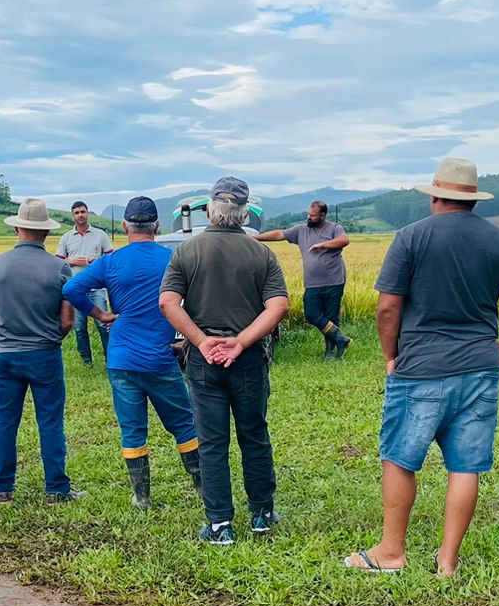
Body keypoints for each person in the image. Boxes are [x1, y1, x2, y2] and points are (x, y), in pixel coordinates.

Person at [349, 156, 499, 574]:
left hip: (420, 366)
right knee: (465, 464)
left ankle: (391, 553)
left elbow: (388, 307)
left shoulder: (411, 237)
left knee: (400, 458)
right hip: (479, 367)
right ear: (473, 199)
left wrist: (390, 356)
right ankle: (448, 560)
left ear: (436, 195)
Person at [159, 176, 289, 544]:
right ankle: (262, 514)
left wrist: (200, 341)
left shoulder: (187, 250)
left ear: (210, 210)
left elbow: (168, 302)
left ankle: (219, 525)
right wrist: (241, 341)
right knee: (254, 434)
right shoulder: (262, 253)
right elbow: (278, 306)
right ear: (245, 212)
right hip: (247, 358)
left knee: (212, 441)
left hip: (203, 361)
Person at [64, 196, 201, 508]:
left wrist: (101, 316)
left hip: (122, 357)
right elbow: (193, 300)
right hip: (159, 358)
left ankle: (142, 498)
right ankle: (202, 488)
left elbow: (71, 289)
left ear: (125, 226)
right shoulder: (173, 259)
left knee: (132, 429)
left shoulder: (112, 261)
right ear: (157, 226)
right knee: (183, 423)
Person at [0, 198, 80, 503]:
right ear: (45, 233)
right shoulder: (59, 267)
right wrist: (51, 336)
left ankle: (2, 486)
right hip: (44, 353)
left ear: (18, 228)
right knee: (50, 420)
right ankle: (56, 488)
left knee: (5, 421)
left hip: (6, 354)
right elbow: (67, 320)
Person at [254, 200, 352, 359]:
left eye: (313, 215)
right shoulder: (301, 230)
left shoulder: (335, 228)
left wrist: (323, 245)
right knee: (311, 314)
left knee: (331, 316)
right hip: (312, 283)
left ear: (322, 215)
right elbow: (280, 234)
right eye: (308, 214)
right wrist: (256, 238)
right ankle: (340, 339)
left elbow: (344, 240)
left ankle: (330, 352)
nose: (309, 217)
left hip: (334, 280)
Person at [57, 200, 113, 366]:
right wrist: (73, 261)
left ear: (88, 213)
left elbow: (111, 258)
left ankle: (110, 358)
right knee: (80, 328)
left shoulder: (100, 235)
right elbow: (58, 262)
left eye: (83, 211)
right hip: (76, 290)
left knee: (103, 324)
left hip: (96, 288)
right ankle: (86, 361)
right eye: (77, 213)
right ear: (73, 216)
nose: (80, 215)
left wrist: (93, 261)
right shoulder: (67, 237)